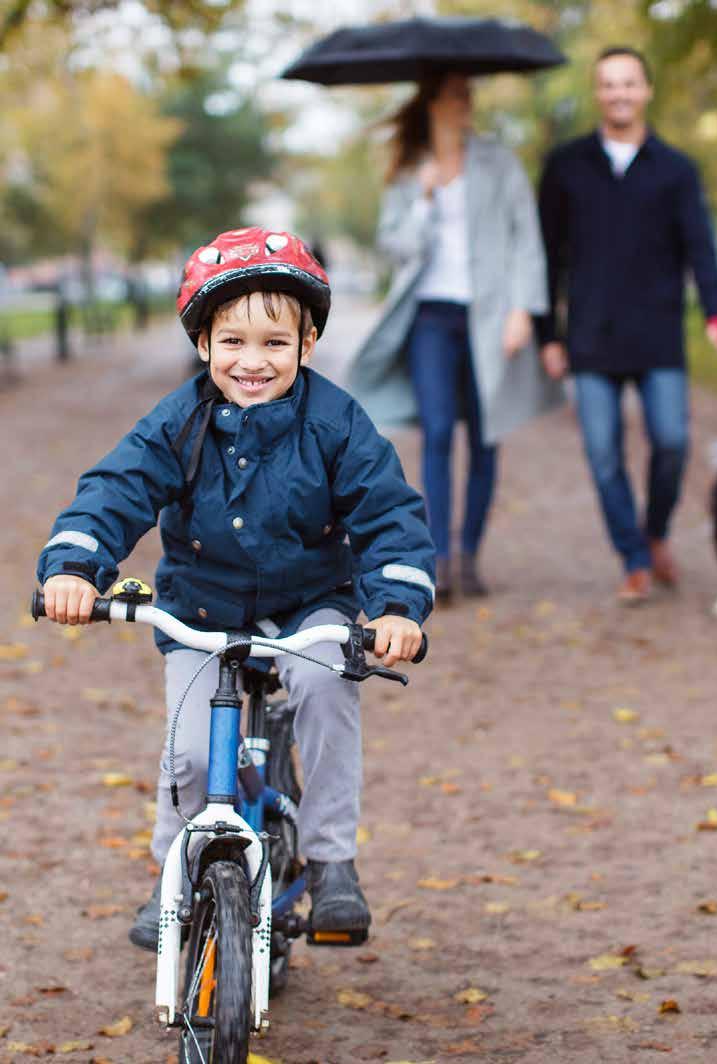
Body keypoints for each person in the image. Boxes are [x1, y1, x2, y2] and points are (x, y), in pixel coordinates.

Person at [35, 226, 435, 950]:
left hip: (310, 604)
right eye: (233, 343)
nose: (253, 362)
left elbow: (389, 516)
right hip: (201, 608)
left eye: (275, 344)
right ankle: (173, 871)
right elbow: (116, 489)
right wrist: (72, 567)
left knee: (324, 689)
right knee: (188, 755)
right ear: (202, 345)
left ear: (307, 345)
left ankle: (331, 858)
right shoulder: (177, 423)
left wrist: (398, 609)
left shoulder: (337, 424)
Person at [537, 46, 717, 604]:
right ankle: (633, 557)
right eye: (609, 84)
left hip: (658, 335)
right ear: (597, 93)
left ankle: (655, 532)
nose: (619, 93)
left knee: (672, 442)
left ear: (646, 90)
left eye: (629, 83)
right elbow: (547, 257)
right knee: (603, 454)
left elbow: (701, 247)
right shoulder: (566, 166)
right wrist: (547, 334)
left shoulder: (677, 170)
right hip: (590, 336)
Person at [348, 73, 560, 602]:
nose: (469, 102)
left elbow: (526, 240)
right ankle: (438, 559)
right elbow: (392, 246)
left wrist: (524, 310)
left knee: (487, 436)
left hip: (489, 317)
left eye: (470, 93)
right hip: (430, 317)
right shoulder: (408, 170)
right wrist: (421, 199)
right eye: (458, 94)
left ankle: (470, 556)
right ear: (434, 104)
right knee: (439, 433)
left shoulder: (499, 162)